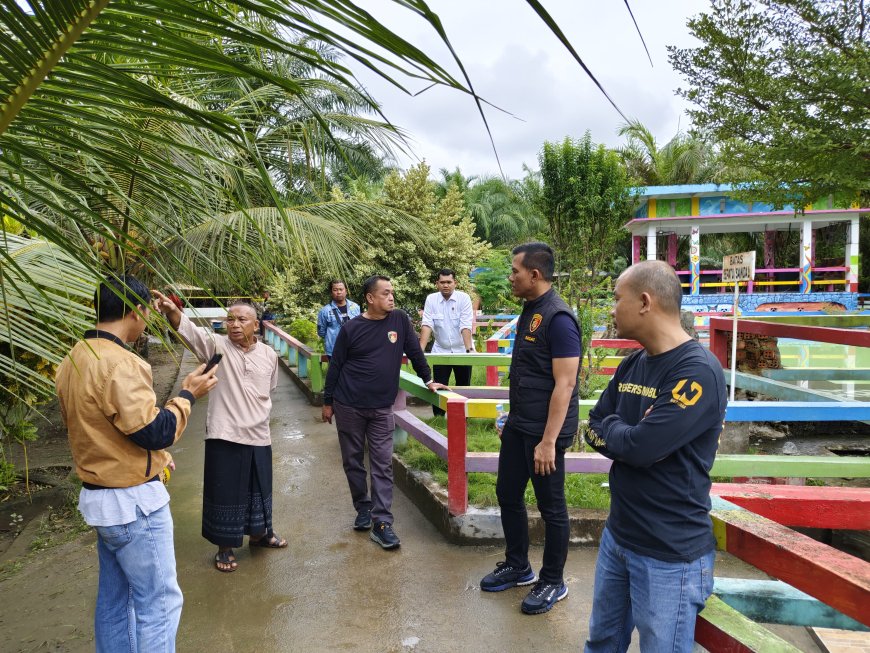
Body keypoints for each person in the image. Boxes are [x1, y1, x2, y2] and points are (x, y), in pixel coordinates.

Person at [55, 275, 218, 652]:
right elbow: (154, 432)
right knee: (159, 603)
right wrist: (187, 396)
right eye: (146, 313)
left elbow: (101, 428)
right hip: (134, 507)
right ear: (136, 310)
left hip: (101, 502)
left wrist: (157, 460)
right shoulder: (121, 363)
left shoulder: (73, 358)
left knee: (116, 601)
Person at [584, 260, 727, 652]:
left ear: (645, 302)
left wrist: (623, 435)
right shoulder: (634, 363)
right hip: (620, 535)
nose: (611, 308)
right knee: (601, 643)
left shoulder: (696, 372)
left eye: (616, 298)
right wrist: (626, 434)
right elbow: (592, 426)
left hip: (669, 555)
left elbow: (639, 448)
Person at [479, 242, 581, 615]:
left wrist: (549, 441)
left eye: (514, 271)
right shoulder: (529, 311)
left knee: (551, 508)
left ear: (534, 275)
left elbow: (565, 385)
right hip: (521, 425)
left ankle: (553, 580)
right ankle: (518, 566)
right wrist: (512, 416)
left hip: (545, 433)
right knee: (507, 492)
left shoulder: (559, 318)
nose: (511, 277)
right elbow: (528, 373)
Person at [152, 292, 284, 573]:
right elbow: (187, 330)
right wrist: (171, 309)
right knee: (225, 493)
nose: (234, 324)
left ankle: (261, 535)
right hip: (224, 433)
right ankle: (225, 548)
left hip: (259, 434)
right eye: (230, 319)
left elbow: (268, 390)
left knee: (258, 490)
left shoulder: (269, 355)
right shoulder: (217, 346)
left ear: (256, 325)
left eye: (241, 319)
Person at [322, 275, 448, 549]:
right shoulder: (351, 329)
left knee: (381, 462)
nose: (391, 297)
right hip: (349, 405)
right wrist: (328, 401)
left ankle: (382, 522)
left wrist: (428, 380)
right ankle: (363, 508)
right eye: (385, 293)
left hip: (381, 407)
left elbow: (415, 352)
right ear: (370, 298)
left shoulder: (399, 320)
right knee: (353, 461)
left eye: (392, 292)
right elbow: (336, 366)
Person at [419, 268, 475, 416]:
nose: (446, 285)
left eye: (449, 282)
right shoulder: (431, 299)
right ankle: (437, 418)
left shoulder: (464, 298)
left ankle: (462, 417)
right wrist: (420, 351)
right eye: (442, 282)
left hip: (462, 349)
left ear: (455, 283)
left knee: (463, 386)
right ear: (437, 283)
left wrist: (469, 350)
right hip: (441, 350)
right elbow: (427, 324)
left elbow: (465, 325)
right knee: (438, 387)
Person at [317, 279, 361, 358]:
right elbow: (321, 332)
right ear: (331, 292)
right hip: (334, 352)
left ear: (346, 291)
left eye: (341, 289)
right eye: (335, 290)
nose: (339, 292)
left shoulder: (355, 307)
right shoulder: (325, 311)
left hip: (353, 349)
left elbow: (359, 327)